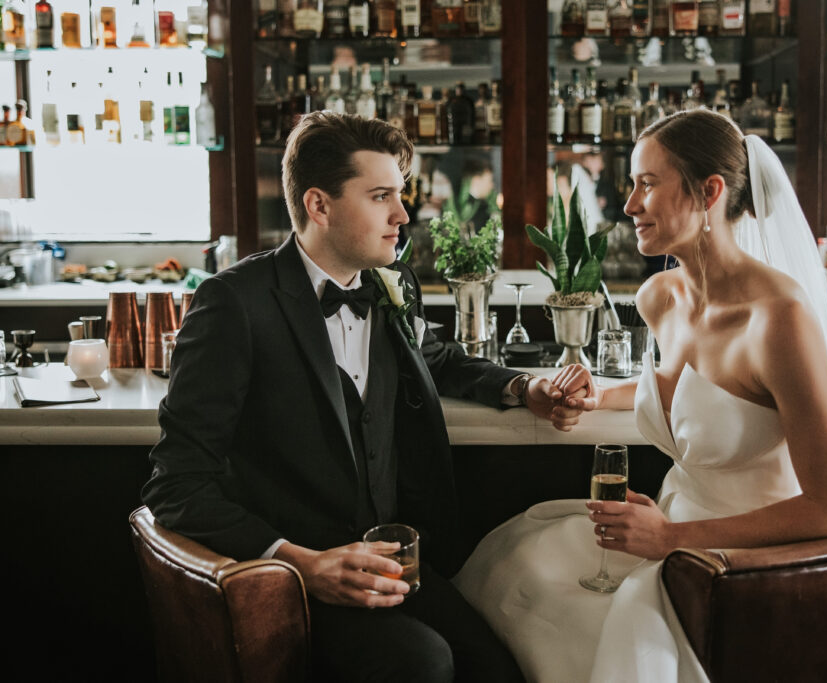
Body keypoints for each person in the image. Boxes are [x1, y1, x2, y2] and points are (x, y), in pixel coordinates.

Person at [142, 112, 586, 682]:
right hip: (296, 579)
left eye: (400, 195)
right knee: (424, 664)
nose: (403, 215)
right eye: (381, 196)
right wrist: (302, 563)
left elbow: (437, 358)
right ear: (318, 205)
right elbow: (176, 484)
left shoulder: (388, 284)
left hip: (398, 563)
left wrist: (525, 386)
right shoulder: (234, 304)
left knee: (501, 668)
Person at [453, 109, 827, 682]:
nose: (628, 204)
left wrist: (673, 539)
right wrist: (598, 393)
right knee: (517, 560)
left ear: (709, 193)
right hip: (666, 528)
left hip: (740, 563)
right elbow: (688, 394)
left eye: (647, 183)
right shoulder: (660, 297)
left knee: (605, 632)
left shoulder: (779, 318)